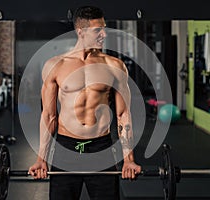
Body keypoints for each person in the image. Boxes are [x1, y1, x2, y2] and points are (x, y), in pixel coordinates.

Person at [28, 5, 141, 200]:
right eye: (98, 29)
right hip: (66, 150)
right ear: (81, 32)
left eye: (104, 28)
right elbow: (48, 116)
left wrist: (128, 159)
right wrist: (41, 159)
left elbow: (123, 115)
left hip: (101, 149)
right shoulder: (55, 65)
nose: (104, 34)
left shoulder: (114, 66)